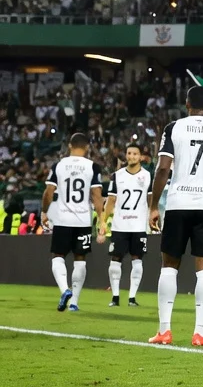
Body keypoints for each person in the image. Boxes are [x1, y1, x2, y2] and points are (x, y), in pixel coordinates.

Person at [148, 86, 203, 347]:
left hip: (177, 204)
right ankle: (199, 333)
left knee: (168, 266)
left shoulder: (173, 128)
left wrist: (154, 205)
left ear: (187, 104)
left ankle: (164, 331)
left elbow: (163, 168)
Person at [41, 132, 104, 312]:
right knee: (80, 259)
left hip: (62, 220)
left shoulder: (59, 165)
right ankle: (74, 302)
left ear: (69, 145)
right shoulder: (92, 166)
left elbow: (48, 192)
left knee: (58, 256)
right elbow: (96, 195)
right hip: (83, 220)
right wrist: (101, 219)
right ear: (87, 147)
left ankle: (64, 289)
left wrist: (44, 211)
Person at [102, 143, 151, 307]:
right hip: (119, 226)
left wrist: (153, 217)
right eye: (129, 153)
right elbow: (111, 201)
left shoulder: (148, 176)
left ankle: (132, 298)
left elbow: (151, 201)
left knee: (137, 260)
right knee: (116, 259)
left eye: (135, 154)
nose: (131, 156)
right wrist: (103, 220)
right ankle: (115, 297)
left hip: (138, 226)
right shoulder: (117, 176)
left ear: (141, 157)